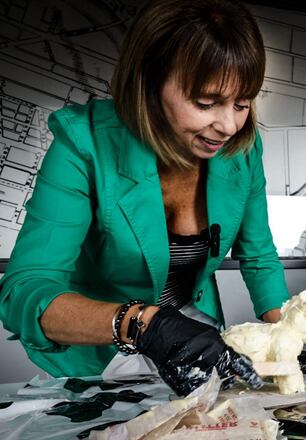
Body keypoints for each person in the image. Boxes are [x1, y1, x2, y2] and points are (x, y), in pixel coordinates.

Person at [0, 0, 288, 396]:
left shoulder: (243, 147)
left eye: (242, 104)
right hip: (99, 357)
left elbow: (259, 257)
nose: (227, 126)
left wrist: (286, 341)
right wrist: (143, 324)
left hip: (194, 340)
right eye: (206, 103)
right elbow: (25, 292)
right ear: (150, 83)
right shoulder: (83, 142)